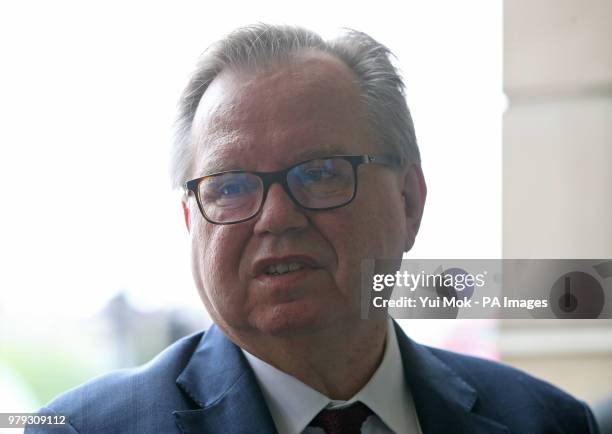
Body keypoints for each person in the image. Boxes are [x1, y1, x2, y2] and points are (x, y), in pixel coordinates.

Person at [28, 24, 599, 434]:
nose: (276, 217)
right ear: (190, 222)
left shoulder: (546, 421)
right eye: (229, 186)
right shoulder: (85, 429)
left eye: (321, 174)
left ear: (409, 202)